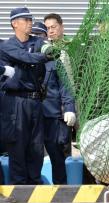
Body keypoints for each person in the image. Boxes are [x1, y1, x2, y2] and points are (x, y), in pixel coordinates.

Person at [0, 7, 51, 184]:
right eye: (25, 20)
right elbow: (25, 57)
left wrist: (47, 50)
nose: (30, 22)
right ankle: (19, 188)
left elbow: (46, 47)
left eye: (31, 19)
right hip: (15, 102)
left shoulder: (37, 42)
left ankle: (35, 184)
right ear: (15, 24)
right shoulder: (7, 46)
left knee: (36, 146)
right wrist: (43, 57)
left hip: (35, 100)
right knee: (17, 144)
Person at [37, 18, 76, 184]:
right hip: (31, 116)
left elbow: (65, 86)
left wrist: (69, 108)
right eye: (33, 36)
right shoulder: (21, 59)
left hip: (54, 115)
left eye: (40, 35)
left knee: (58, 155)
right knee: (33, 155)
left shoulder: (54, 59)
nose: (37, 39)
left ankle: (62, 190)